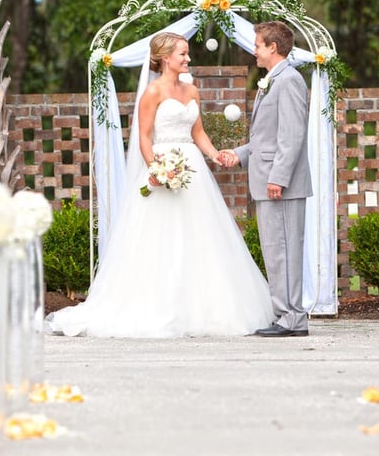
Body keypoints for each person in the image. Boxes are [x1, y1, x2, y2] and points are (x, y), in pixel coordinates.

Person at [49, 32, 274, 337]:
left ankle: (201, 309)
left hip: (191, 168)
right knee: (160, 237)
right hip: (163, 166)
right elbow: (144, 137)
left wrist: (214, 155)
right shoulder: (152, 93)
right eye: (183, 54)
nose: (188, 58)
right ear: (166, 58)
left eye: (188, 53)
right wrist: (155, 168)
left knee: (201, 236)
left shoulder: (192, 90)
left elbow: (198, 133)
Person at [222, 21, 312, 337]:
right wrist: (239, 154)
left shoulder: (289, 81)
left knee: (284, 251)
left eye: (258, 45)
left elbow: (292, 135)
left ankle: (292, 319)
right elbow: (267, 137)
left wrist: (279, 178)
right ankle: (285, 315)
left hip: (280, 186)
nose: (254, 51)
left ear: (273, 47)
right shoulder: (274, 80)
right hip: (269, 181)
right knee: (275, 252)